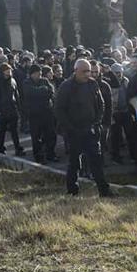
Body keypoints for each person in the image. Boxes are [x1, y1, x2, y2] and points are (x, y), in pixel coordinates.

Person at [55, 59, 115, 197]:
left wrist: (97, 123)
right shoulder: (66, 86)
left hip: (91, 129)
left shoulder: (92, 84)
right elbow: (59, 110)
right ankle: (72, 191)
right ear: (76, 71)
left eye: (89, 71)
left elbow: (101, 105)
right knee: (74, 162)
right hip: (74, 131)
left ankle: (104, 191)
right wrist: (70, 128)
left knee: (96, 161)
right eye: (84, 72)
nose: (87, 74)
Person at [23, 64, 58, 164]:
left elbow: (51, 91)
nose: (40, 75)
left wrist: (41, 92)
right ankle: (38, 156)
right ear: (32, 74)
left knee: (50, 134)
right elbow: (30, 93)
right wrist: (43, 90)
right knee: (36, 136)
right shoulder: (26, 82)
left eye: (41, 73)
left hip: (47, 112)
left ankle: (50, 154)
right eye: (38, 73)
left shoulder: (44, 81)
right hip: (34, 114)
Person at [0, 63, 26, 156]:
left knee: (14, 130)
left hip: (12, 108)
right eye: (7, 70)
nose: (9, 71)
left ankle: (17, 148)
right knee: (2, 130)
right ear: (3, 71)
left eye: (10, 70)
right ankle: (1, 147)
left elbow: (16, 94)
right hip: (2, 110)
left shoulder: (13, 81)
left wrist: (19, 107)